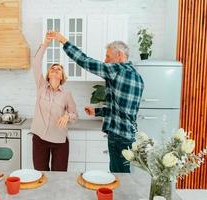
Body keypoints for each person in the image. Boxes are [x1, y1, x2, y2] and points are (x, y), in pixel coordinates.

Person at [51, 32, 144, 173]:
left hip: (118, 136)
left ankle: (120, 196)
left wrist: (64, 41)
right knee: (123, 174)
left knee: (119, 177)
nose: (105, 61)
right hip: (129, 135)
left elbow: (85, 61)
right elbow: (123, 110)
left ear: (119, 55)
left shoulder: (117, 70)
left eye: (108, 56)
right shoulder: (137, 76)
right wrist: (98, 111)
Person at [30, 32, 78, 171]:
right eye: (53, 68)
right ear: (48, 74)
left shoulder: (67, 94)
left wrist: (68, 115)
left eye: (59, 69)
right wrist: (45, 43)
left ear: (62, 76)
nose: (56, 70)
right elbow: (36, 63)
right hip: (39, 139)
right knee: (41, 174)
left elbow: (74, 114)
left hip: (60, 141)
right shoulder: (41, 86)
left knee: (59, 177)